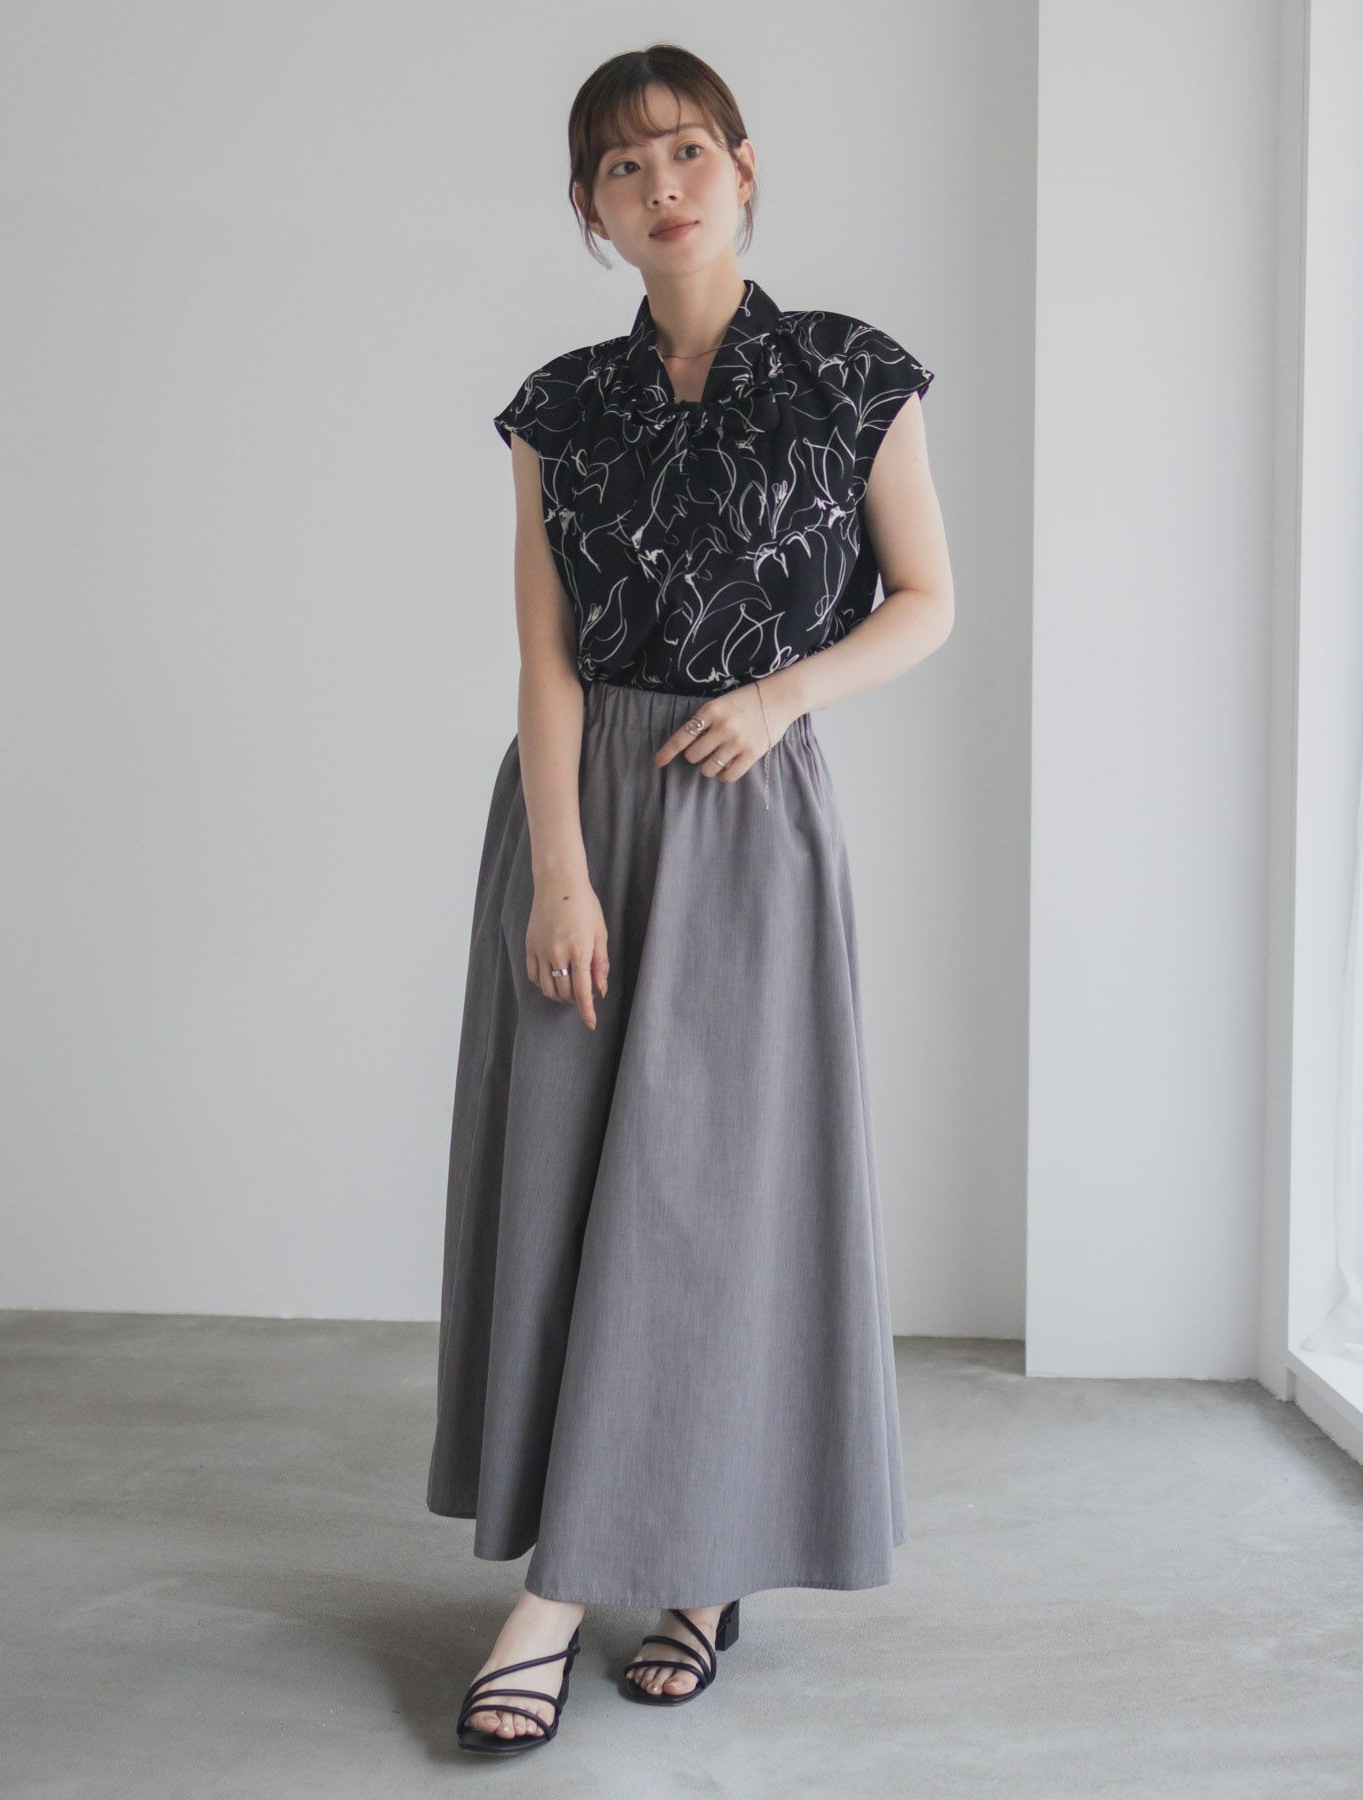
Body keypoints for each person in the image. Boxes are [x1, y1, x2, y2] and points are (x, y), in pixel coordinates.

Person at [426, 42, 955, 1755]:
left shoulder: (851, 374)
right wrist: (558, 870)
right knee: (570, 1192)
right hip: (579, 822)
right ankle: (616, 1565)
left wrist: (786, 695)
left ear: (743, 163)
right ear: (589, 207)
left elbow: (928, 599)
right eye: (622, 165)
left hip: (746, 816)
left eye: (687, 151)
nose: (663, 186)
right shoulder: (559, 406)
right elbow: (545, 657)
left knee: (713, 1201)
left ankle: (617, 1584)